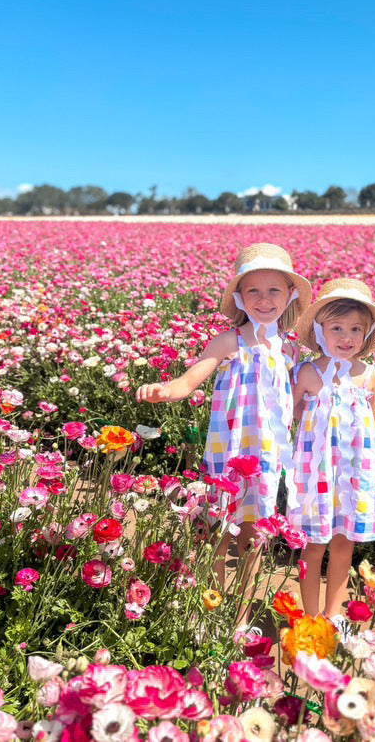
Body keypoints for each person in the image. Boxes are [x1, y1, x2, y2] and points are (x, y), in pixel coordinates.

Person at [136, 243, 312, 613]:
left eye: (274, 290)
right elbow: (188, 382)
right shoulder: (229, 341)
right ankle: (210, 603)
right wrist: (162, 390)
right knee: (218, 529)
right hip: (228, 450)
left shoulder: (290, 352)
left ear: (290, 295)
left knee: (255, 534)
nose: (264, 300)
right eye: (254, 291)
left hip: (266, 457)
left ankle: (243, 609)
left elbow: (292, 405)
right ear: (239, 297)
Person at [289, 277, 375, 629]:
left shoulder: (369, 377)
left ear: (367, 334)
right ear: (320, 330)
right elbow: (289, 411)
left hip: (356, 473)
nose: (346, 337)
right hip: (315, 474)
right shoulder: (308, 372)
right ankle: (308, 617)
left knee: (345, 543)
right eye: (336, 328)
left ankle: (334, 615)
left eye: (355, 329)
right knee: (313, 545)